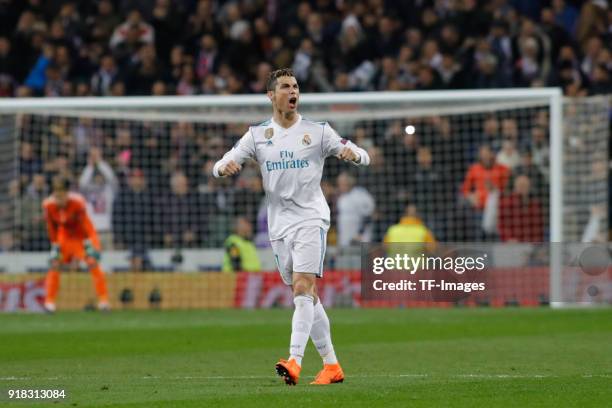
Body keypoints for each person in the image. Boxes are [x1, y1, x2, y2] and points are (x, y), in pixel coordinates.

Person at [213, 68, 370, 385]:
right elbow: (221, 163)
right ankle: (332, 366)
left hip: (311, 218)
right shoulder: (258, 136)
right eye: (284, 86)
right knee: (307, 296)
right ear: (271, 96)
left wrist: (355, 156)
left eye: (295, 86)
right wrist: (223, 168)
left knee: (302, 287)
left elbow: (364, 155)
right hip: (279, 224)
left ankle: (294, 361)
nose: (292, 91)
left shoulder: (319, 131)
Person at [42, 177, 109, 312]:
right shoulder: (48, 205)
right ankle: (49, 303)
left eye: (61, 195)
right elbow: (51, 227)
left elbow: (87, 226)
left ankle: (104, 301)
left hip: (80, 237)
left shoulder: (78, 203)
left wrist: (92, 245)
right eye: (56, 195)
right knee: (54, 263)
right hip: (64, 238)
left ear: (67, 193)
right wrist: (54, 246)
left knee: (92, 262)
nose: (59, 199)